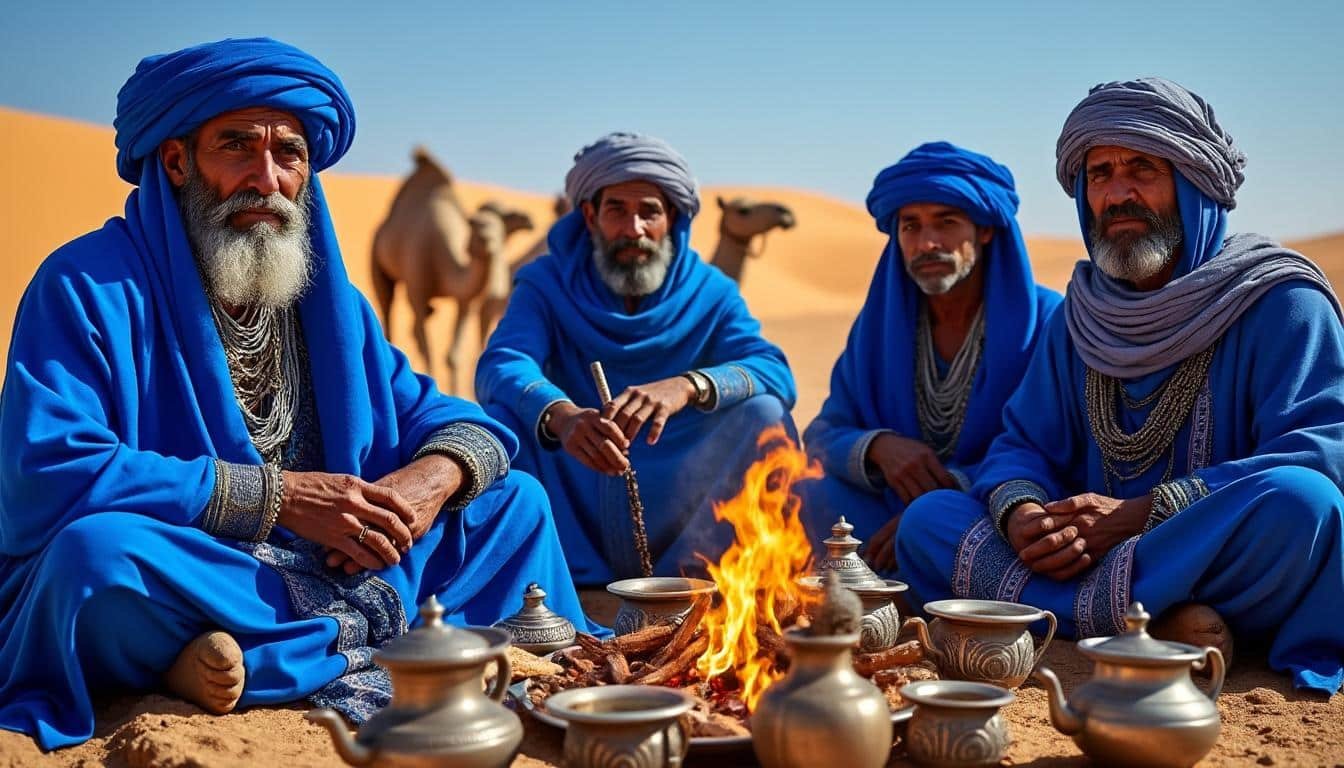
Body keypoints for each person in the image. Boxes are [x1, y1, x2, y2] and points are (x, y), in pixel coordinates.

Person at [0, 38, 595, 750]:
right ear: (177, 161)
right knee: (94, 561)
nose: (268, 176)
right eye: (238, 147)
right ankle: (242, 652)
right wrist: (281, 499)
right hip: (207, 563)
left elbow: (445, 416)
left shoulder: (327, 302)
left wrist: (424, 484)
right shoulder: (86, 286)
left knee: (514, 503)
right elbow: (49, 467)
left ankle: (235, 658)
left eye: (289, 154)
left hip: (341, 557)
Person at [897, 78, 1344, 694]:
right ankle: (1164, 620)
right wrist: (1022, 512)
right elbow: (1023, 444)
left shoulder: (1279, 301)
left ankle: (1068, 614)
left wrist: (1138, 516)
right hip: (1084, 555)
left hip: (1196, 547)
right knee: (929, 520)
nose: (1118, 193)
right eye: (1101, 173)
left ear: (1194, 183)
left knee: (1303, 503)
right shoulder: (1079, 316)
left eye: (1142, 168)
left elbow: (1322, 448)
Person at [476, 132, 797, 586]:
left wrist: (686, 387)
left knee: (764, 412)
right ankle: (540, 585)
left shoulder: (711, 292)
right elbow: (502, 363)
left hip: (684, 488)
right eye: (616, 211)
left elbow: (773, 371)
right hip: (576, 479)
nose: (634, 230)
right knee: (500, 419)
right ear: (589, 216)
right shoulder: (545, 284)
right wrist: (563, 417)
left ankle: (703, 581)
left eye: (649, 212)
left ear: (673, 218)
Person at [801, 142, 1060, 571]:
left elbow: (1051, 450)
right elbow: (824, 432)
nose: (927, 243)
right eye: (910, 227)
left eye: (947, 222)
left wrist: (952, 488)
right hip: (882, 504)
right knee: (795, 491)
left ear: (986, 229)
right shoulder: (878, 327)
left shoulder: (1047, 320)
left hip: (984, 511)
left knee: (933, 522)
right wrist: (879, 448)